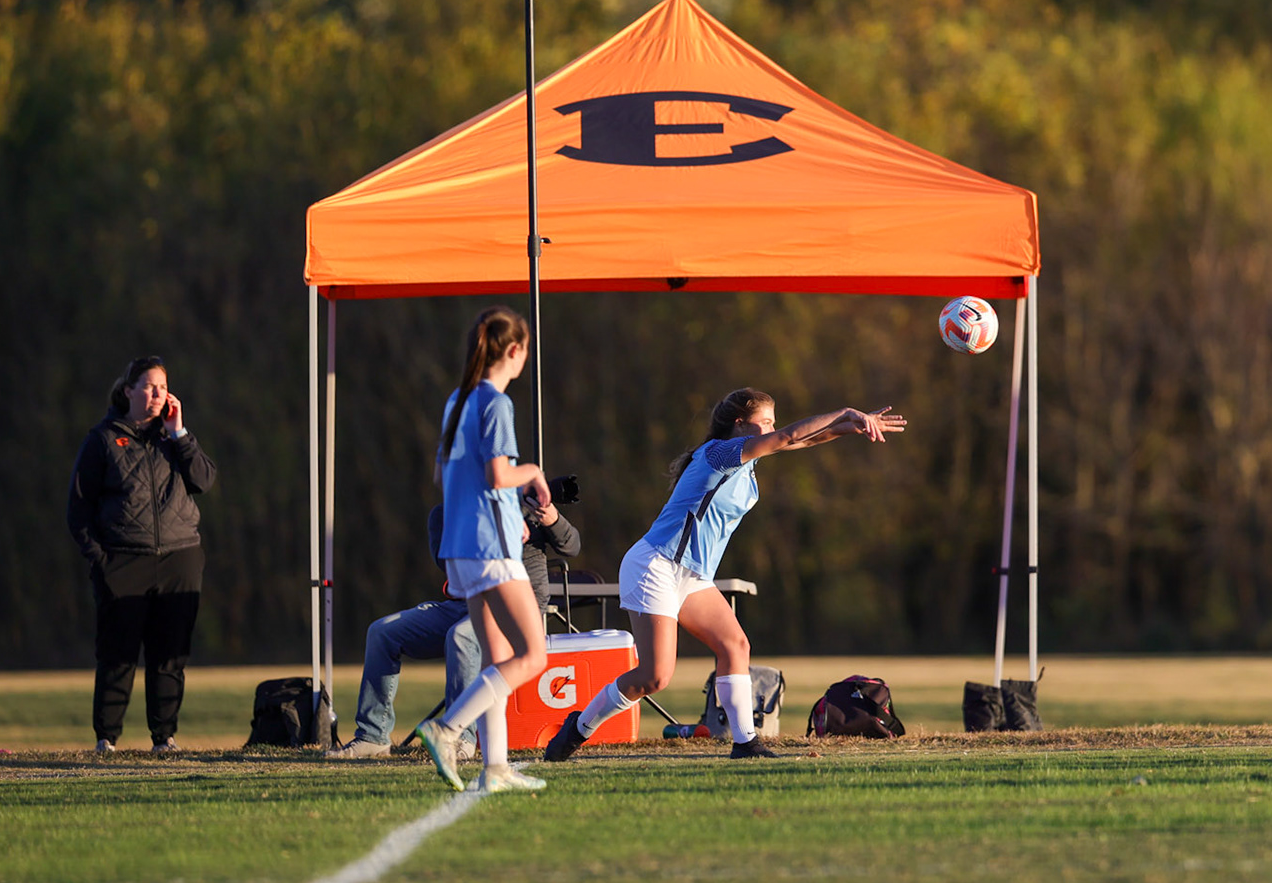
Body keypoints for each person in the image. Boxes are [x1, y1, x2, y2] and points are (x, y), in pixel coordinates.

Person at [544, 388, 904, 763]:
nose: (772, 428)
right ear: (739, 425)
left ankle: (745, 743)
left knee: (735, 647)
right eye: (765, 421)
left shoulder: (747, 459)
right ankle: (577, 729)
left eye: (772, 421)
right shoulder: (719, 453)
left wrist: (855, 425)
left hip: (691, 575)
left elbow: (806, 439)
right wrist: (845, 410)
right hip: (656, 566)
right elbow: (789, 437)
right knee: (654, 677)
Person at [329, 483, 580, 760]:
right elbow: (449, 565)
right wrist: (494, 529)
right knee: (381, 632)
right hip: (466, 604)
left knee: (462, 636)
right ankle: (373, 737)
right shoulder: (443, 516)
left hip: (518, 608)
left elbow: (572, 546)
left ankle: (460, 739)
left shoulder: (525, 510)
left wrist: (553, 519)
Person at [412, 306, 554, 793]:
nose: (525, 360)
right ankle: (446, 728)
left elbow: (441, 476)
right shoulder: (496, 403)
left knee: (497, 660)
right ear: (513, 351)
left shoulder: (457, 399)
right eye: (526, 352)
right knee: (533, 655)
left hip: (460, 544)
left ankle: (495, 768)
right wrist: (532, 471)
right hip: (490, 546)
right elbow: (499, 475)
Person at [66, 355, 218, 754]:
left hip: (179, 558)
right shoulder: (102, 439)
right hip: (123, 561)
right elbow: (78, 510)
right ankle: (106, 739)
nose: (157, 394)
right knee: (117, 655)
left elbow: (204, 480)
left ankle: (164, 739)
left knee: (170, 656)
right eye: (149, 386)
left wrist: (180, 433)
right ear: (128, 390)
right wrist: (102, 561)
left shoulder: (175, 438)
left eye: (163, 388)